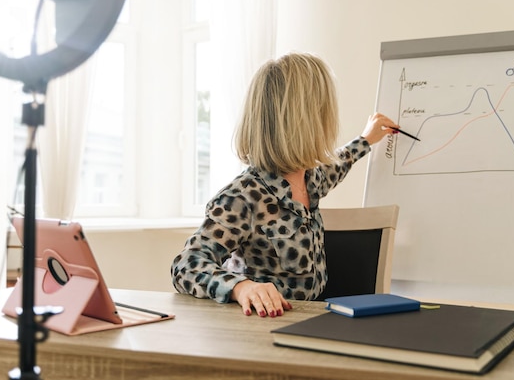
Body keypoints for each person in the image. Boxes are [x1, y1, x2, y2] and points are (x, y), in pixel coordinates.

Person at [171, 52, 399, 317]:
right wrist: (242, 287)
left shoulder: (312, 178)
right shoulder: (243, 197)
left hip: (315, 317)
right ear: (310, 121)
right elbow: (186, 265)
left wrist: (366, 139)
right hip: (266, 325)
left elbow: (339, 164)